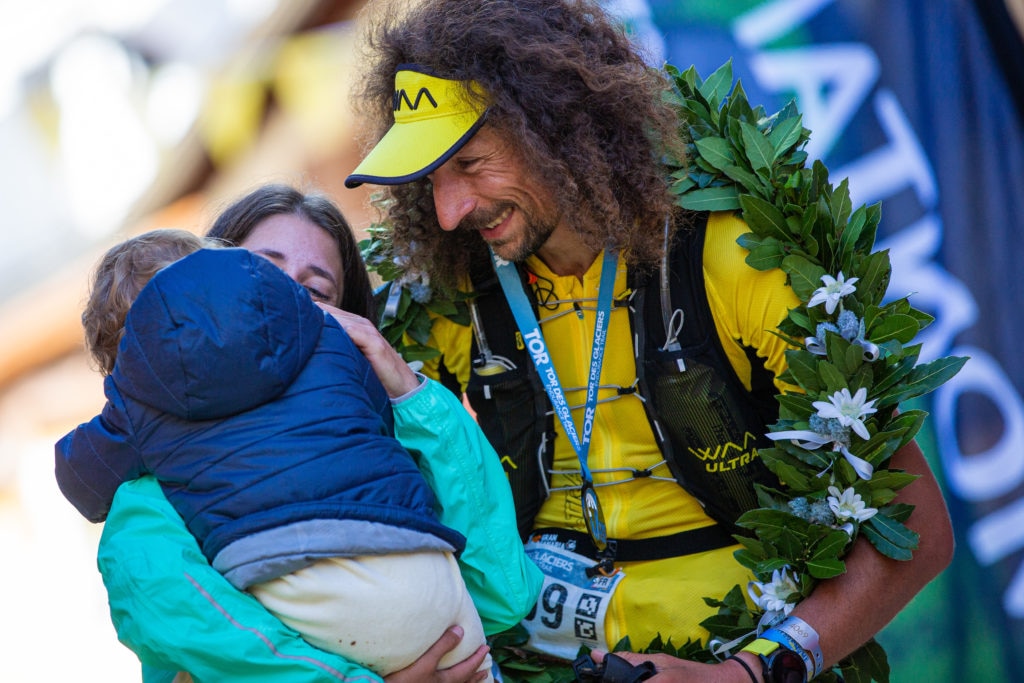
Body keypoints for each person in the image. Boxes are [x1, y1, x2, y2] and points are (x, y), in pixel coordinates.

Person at [335, 0, 955, 681]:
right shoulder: (445, 297)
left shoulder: (735, 253)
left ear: (557, 127)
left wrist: (746, 674)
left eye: (472, 163)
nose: (449, 211)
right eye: (431, 178)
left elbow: (915, 527)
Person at [69, 185, 542, 683]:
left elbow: (501, 594)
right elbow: (203, 638)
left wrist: (405, 388)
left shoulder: (377, 447)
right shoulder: (150, 494)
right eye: (263, 276)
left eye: (316, 292)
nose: (288, 306)